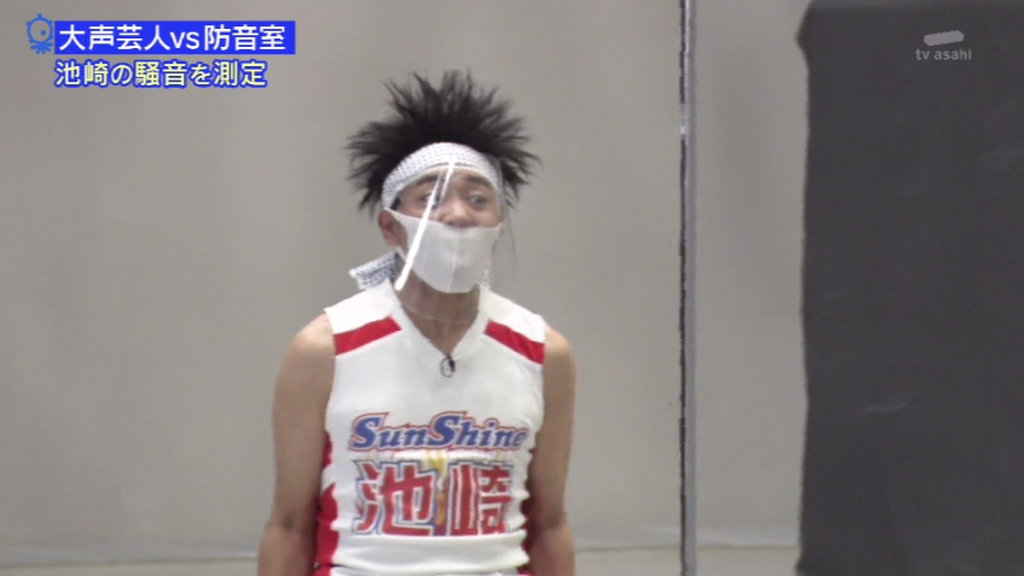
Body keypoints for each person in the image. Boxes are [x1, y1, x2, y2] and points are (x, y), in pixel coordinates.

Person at [257, 70, 576, 576]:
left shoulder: (542, 351)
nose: (457, 214)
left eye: (478, 198)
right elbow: (290, 525)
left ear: (498, 222)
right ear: (391, 226)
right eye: (431, 198)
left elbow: (550, 525)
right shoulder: (326, 348)